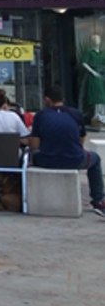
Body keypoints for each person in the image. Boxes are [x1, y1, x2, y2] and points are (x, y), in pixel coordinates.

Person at [28, 84, 105, 217]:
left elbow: (35, 143)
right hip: (75, 159)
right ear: (62, 98)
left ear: (47, 99)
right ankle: (98, 200)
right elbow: (81, 138)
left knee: (25, 158)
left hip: (46, 160)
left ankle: (24, 197)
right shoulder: (75, 113)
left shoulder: (40, 115)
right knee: (95, 159)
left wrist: (34, 154)